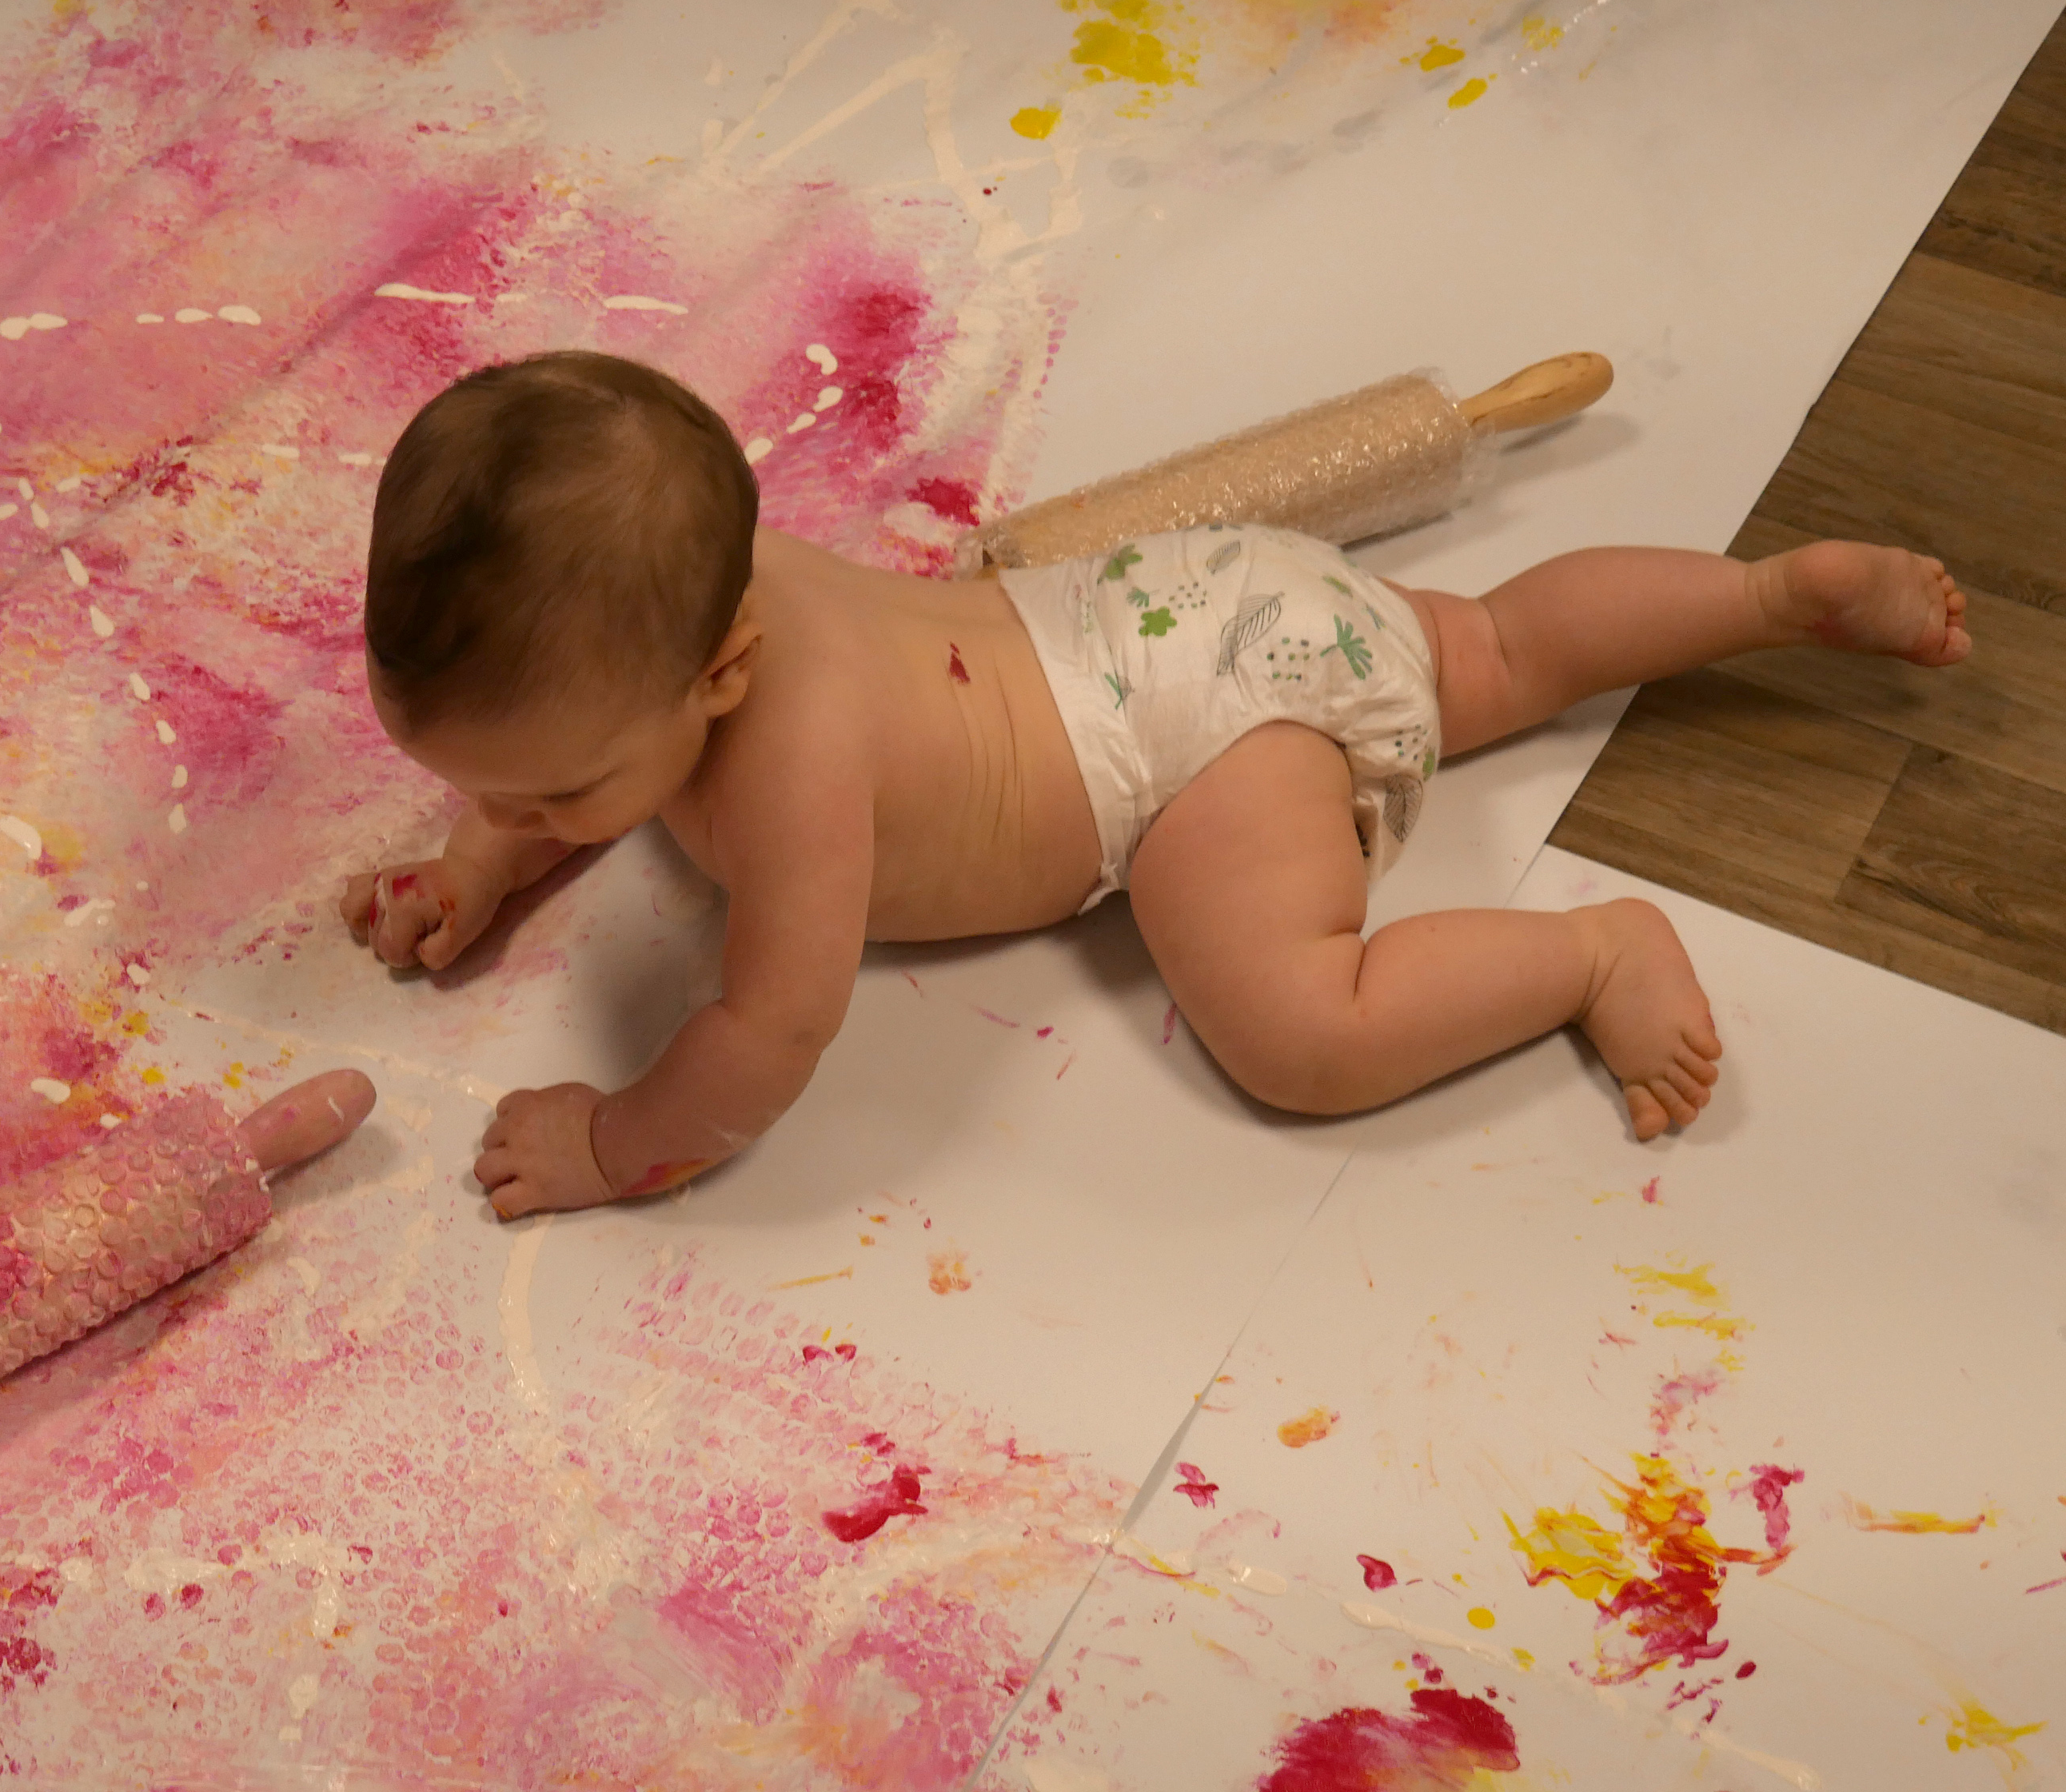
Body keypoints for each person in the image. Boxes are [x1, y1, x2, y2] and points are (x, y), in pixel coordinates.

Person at [341, 352, 1968, 1218]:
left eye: (549, 797)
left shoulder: (791, 776)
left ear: (718, 678)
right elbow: (551, 742)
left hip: (1189, 759)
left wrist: (615, 1138)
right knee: (1499, 644)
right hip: (1180, 598)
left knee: (1298, 1036)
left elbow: (763, 1039)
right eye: (490, 791)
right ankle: (1758, 600)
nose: (528, 817)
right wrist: (478, 864)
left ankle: (1587, 952)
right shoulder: (694, 580)